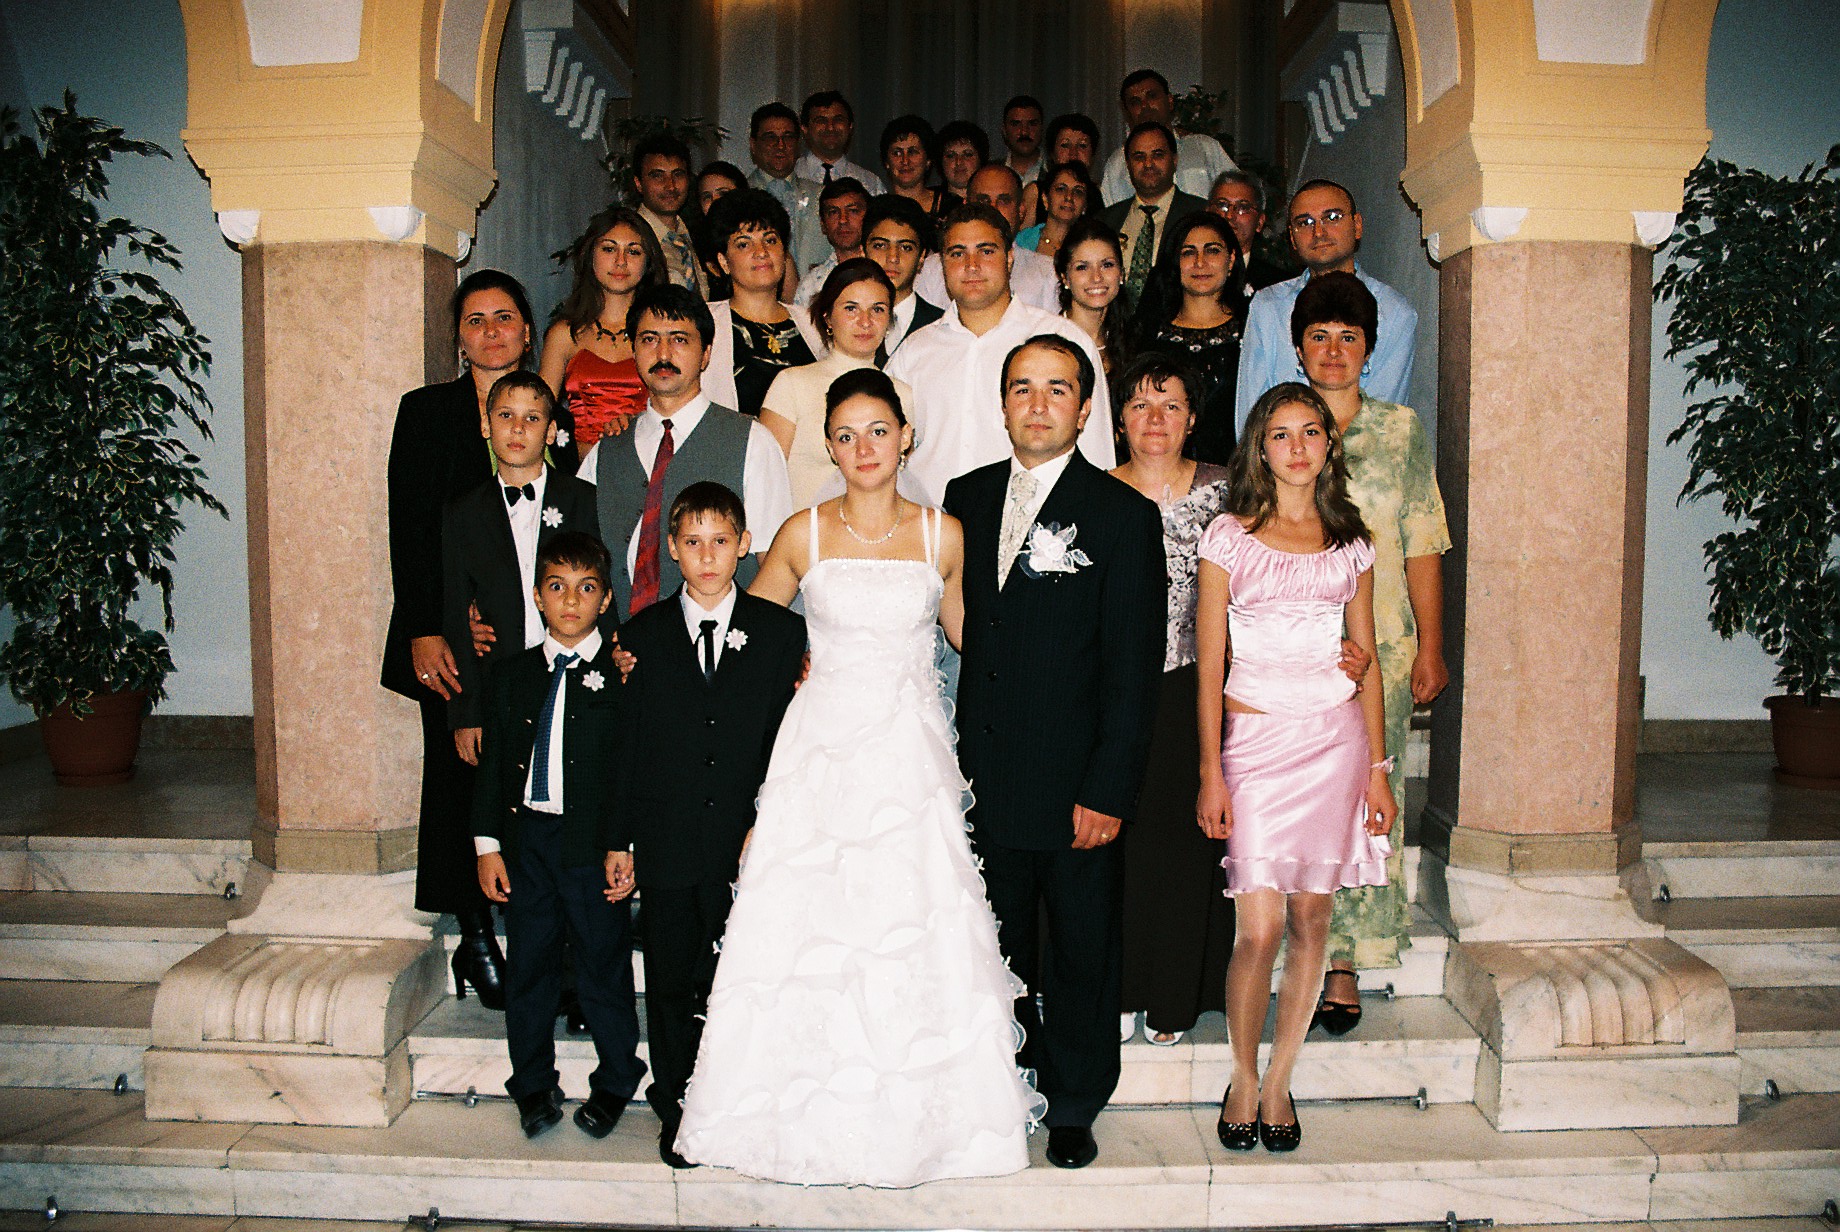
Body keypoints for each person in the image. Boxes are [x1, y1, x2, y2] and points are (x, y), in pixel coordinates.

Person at [676, 368, 1044, 1185]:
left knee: (909, 921)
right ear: (829, 448)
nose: (863, 447)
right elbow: (745, 633)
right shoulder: (801, 533)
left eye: (878, 430)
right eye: (844, 435)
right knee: (809, 923)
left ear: (905, 437)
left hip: (910, 756)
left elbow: (973, 641)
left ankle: (923, 1127)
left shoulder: (944, 535)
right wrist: (661, 653)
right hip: (820, 752)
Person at [945, 334, 1167, 1171]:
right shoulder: (965, 498)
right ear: (1003, 405)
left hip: (1076, 779)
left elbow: (1132, 669)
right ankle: (1003, 1085)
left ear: (1083, 408)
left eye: (1057, 389)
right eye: (1022, 388)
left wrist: (1109, 788)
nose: (1037, 405)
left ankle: (1073, 1101)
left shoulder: (1121, 516)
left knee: (1080, 947)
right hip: (982, 772)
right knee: (994, 944)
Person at [1195, 381, 1394, 1153]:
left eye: (1310, 431)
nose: (1297, 447)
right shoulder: (1228, 538)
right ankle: (1242, 1075)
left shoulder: (1352, 543)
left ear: (1328, 444)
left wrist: (1377, 768)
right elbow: (1210, 666)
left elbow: (1366, 662)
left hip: (1334, 744)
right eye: (1280, 434)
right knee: (1260, 927)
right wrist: (1210, 771)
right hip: (1254, 745)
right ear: (1260, 447)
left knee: (1313, 918)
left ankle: (1279, 1080)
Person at [608, 482, 807, 1169]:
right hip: (667, 839)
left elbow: (789, 739)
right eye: (692, 542)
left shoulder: (781, 634)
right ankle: (677, 1107)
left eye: (721, 541)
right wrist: (620, 839)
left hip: (746, 841)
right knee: (669, 978)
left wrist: (771, 819)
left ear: (744, 545)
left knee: (741, 977)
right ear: (672, 549)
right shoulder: (640, 637)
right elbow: (628, 749)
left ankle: (740, 1101)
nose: (707, 556)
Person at [1293, 271, 1450, 1033]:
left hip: (1380, 645)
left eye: (1348, 337)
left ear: (1369, 348)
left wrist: (1431, 646)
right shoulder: (1280, 428)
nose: (1333, 350)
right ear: (1298, 348)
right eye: (1319, 336)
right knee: (1298, 800)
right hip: (1292, 648)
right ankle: (1292, 941)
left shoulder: (1400, 431)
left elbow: (1422, 540)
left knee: (1365, 800)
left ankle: (1345, 960)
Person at [383, 268, 541, 1010]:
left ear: (527, 331)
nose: (490, 332)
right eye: (475, 320)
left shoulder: (542, 408)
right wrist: (430, 628)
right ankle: (474, 939)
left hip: (526, 632)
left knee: (523, 775)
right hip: (446, 636)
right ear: (458, 337)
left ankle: (531, 921)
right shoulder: (426, 413)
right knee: (456, 778)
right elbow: (410, 527)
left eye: (503, 317)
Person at [471, 531, 646, 1141]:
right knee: (530, 967)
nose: (571, 601)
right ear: (538, 596)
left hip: (593, 845)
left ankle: (617, 1077)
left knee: (603, 965)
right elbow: (493, 769)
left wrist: (624, 846)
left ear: (605, 599)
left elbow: (630, 771)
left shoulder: (623, 676)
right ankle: (532, 1082)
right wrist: (487, 846)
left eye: (586, 588)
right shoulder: (511, 675)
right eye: (557, 587)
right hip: (529, 844)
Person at [1108, 354, 1235, 1048]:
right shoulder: (1095, 492)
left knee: (1188, 845)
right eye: (1139, 404)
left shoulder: (1227, 492)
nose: (1154, 419)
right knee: (1122, 844)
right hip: (1117, 687)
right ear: (1119, 419)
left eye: (1171, 405)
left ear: (1191, 419)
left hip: (1202, 684)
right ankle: (1125, 985)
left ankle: (1175, 995)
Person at [577, 284, 794, 621]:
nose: (663, 353)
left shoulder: (752, 442)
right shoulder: (606, 451)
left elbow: (777, 565)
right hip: (619, 642)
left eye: (679, 339)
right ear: (634, 351)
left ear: (706, 354)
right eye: (649, 339)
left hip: (720, 641)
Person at [888, 204, 1115, 505]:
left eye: (986, 251)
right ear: (942, 264)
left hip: (1033, 522)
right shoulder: (914, 351)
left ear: (1009, 258)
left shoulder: (1065, 341)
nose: (971, 265)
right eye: (957, 253)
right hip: (930, 521)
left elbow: (1097, 455)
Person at [443, 372, 601, 774]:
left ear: (550, 431)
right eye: (505, 415)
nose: (517, 428)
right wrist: (466, 712)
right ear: (485, 425)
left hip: (578, 675)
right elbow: (455, 612)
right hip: (500, 684)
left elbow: (605, 592)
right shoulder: (463, 514)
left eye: (532, 418)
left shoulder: (585, 501)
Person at [1234, 178, 1418, 436]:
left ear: (1357, 225)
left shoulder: (1394, 311)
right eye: (1305, 222)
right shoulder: (1268, 306)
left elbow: (1382, 417)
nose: (1318, 232)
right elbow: (1252, 416)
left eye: (1332, 218)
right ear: (1292, 238)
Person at [760, 257, 916, 508]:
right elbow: (763, 480)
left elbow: (903, 483)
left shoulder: (902, 394)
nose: (865, 321)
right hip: (802, 528)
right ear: (828, 318)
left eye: (877, 309)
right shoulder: (791, 384)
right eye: (851, 309)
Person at [539, 208, 669, 451]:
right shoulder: (565, 334)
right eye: (609, 249)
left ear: (648, 262)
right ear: (590, 255)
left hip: (649, 460)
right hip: (578, 465)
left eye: (633, 251)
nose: (621, 261)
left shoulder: (663, 334)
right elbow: (537, 413)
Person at [1130, 211, 1244, 465]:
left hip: (1238, 473)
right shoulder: (1147, 335)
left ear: (1231, 259)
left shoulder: (1253, 330)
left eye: (1212, 251)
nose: (1200, 262)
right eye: (1188, 252)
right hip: (1158, 470)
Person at [699, 189, 824, 419]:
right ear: (723, 262)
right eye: (744, 244)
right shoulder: (703, 323)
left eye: (770, 240)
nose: (762, 252)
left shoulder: (813, 323)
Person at [912, 164, 1061, 313]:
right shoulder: (931, 270)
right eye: (983, 200)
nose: (993, 209)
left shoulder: (1047, 274)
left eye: (1004, 200)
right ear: (965, 206)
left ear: (1021, 211)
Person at [1098, 121, 1207, 303]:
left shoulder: (1201, 214)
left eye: (1157, 155)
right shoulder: (1105, 221)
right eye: (1139, 157)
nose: (1148, 164)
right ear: (1128, 164)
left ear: (1174, 160)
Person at [1098, 68, 1237, 206]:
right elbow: (1112, 214)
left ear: (1170, 101)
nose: (1145, 106)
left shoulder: (1205, 148)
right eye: (1135, 102)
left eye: (1152, 96)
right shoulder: (1118, 163)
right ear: (1127, 112)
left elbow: (1238, 193)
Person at [743, 102, 830, 279]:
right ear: (753, 145)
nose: (780, 145)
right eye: (770, 138)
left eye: (788, 137)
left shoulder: (822, 196)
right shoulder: (740, 196)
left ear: (798, 145)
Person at [862, 193, 944, 355]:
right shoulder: (843, 322)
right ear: (863, 252)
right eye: (880, 245)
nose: (893, 257)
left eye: (906, 247)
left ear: (921, 257)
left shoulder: (942, 326)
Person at [1055, 217, 1132, 382]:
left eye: (1107, 265)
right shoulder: (1049, 340)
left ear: (1121, 274)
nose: (1096, 277)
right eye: (1082, 267)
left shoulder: (1132, 341)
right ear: (1065, 278)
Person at [629, 132, 706, 296]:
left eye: (678, 174)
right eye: (658, 176)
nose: (670, 186)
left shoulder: (694, 238)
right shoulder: (632, 240)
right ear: (639, 183)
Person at [792, 175, 873, 307]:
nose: (843, 220)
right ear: (823, 225)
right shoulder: (812, 284)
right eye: (833, 212)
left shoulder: (887, 269)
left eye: (853, 211)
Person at [1208, 169, 1288, 299]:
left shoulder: (1279, 286)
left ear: (1260, 222)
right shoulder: (1186, 274)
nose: (1230, 215)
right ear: (1207, 213)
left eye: (1242, 207)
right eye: (1222, 205)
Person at [795, 89, 886, 193]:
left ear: (850, 126)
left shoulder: (870, 184)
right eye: (821, 121)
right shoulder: (790, 176)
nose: (830, 128)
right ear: (804, 128)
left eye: (838, 120)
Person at [1023, 112, 1100, 225]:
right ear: (1052, 153)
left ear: (1092, 154)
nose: (1073, 154)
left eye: (1082, 146)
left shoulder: (1097, 193)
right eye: (1065, 145)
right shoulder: (1035, 192)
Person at [879, 114, 959, 222]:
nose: (905, 161)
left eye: (912, 152)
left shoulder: (953, 208)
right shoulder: (875, 210)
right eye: (897, 153)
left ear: (928, 160)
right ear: (887, 162)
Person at [688, 160, 749, 298]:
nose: (715, 201)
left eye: (723, 193)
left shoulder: (764, 241)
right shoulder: (691, 249)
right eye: (707, 197)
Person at [1016, 159, 1099, 259]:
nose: (1069, 197)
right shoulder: (1021, 242)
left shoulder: (1091, 248)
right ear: (1045, 199)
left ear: (1085, 206)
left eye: (1078, 192)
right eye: (1061, 189)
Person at [1000, 94, 1046, 188]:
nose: (1024, 132)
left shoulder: (1057, 172)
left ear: (1042, 129)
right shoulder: (987, 173)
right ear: (1004, 130)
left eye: (1032, 124)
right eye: (1016, 124)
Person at [936, 119, 990, 200]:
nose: (959, 162)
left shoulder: (993, 201)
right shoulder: (928, 202)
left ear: (980, 159)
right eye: (951, 156)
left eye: (967, 155)